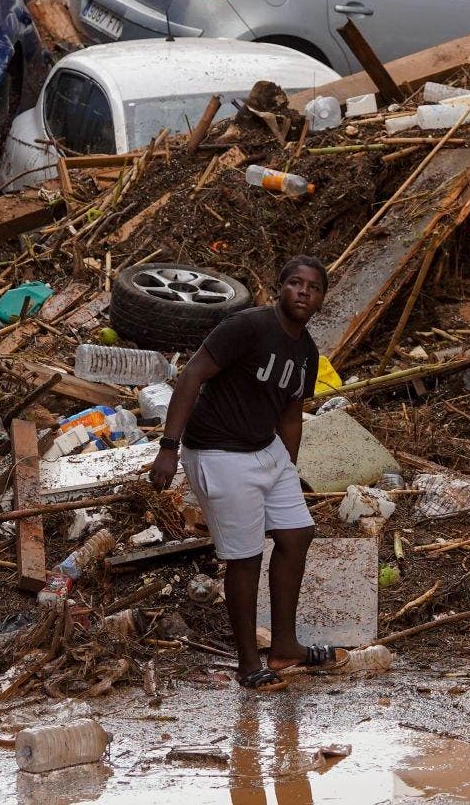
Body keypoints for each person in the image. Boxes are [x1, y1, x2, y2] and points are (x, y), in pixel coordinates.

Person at [148, 255, 346, 691]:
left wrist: (287, 469)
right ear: (280, 287)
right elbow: (193, 374)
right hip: (219, 452)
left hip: (267, 450)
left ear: (321, 300)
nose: (303, 292)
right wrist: (168, 446)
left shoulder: (307, 352)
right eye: (295, 282)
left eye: (313, 288)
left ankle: (285, 647)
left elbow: (291, 413)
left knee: (297, 536)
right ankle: (247, 663)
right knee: (245, 556)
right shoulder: (248, 326)